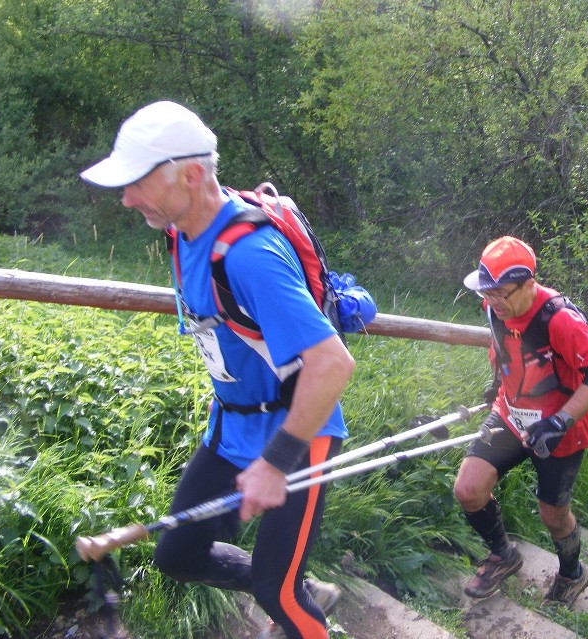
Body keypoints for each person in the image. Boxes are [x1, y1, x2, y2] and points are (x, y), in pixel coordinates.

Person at [80, 101, 355, 639]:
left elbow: (331, 363)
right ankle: (297, 590)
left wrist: (276, 463)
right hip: (231, 426)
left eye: (137, 183)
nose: (127, 198)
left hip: (299, 432)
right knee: (178, 556)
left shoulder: (250, 255)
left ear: (191, 173)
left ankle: (291, 600)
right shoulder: (181, 228)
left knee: (276, 592)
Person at [454, 236, 588, 607]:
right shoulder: (496, 307)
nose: (491, 301)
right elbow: (505, 348)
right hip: (510, 415)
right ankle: (502, 555)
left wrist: (559, 420)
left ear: (529, 284)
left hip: (561, 428)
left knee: (553, 515)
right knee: (468, 489)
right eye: (486, 292)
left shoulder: (559, 319)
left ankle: (572, 574)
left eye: (500, 293)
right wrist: (498, 383)